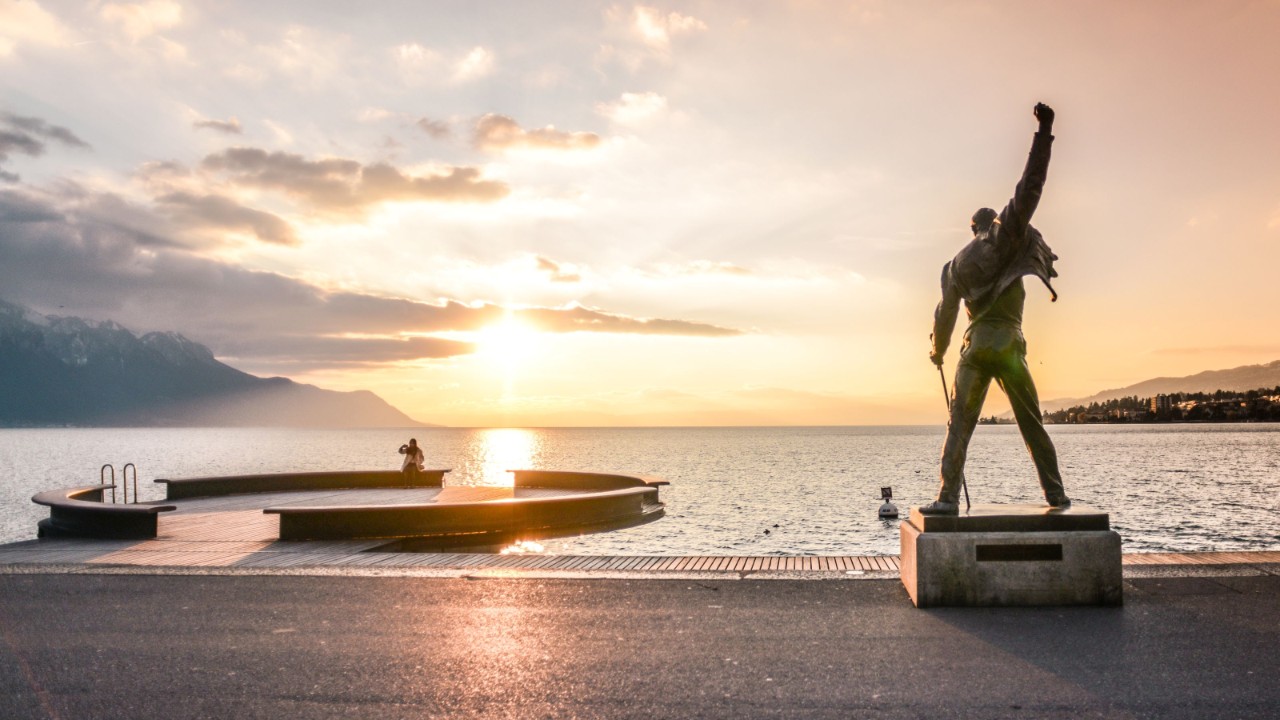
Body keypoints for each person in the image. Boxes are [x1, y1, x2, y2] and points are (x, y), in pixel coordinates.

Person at [921, 102, 1070, 516]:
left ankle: (947, 498)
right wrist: (1044, 132)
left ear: (972, 228)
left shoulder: (955, 266)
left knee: (959, 425)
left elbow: (945, 315)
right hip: (1008, 347)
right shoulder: (1006, 239)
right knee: (1031, 424)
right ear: (995, 223)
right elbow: (1030, 187)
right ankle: (1056, 495)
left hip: (974, 349)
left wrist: (937, 350)